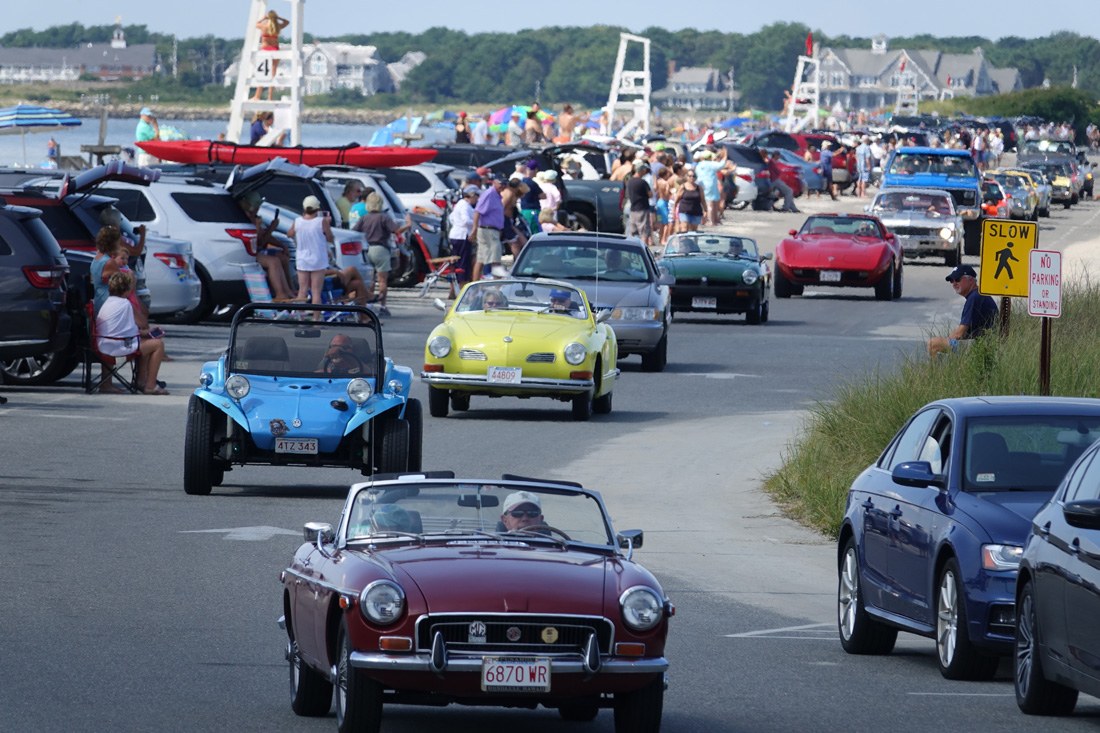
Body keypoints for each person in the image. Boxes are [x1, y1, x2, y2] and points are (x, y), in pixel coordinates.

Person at [96, 271, 168, 395]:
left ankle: (108, 383)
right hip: (116, 348)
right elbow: (142, 322)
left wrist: (145, 333)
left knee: (146, 343)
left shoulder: (108, 302)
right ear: (127, 290)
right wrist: (146, 331)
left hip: (102, 344)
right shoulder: (126, 304)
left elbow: (120, 329)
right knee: (157, 344)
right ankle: (150, 385)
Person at [354, 192, 412, 316]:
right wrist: (408, 224)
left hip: (367, 249)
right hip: (381, 250)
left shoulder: (364, 218)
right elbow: (397, 230)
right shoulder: (384, 217)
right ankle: (383, 306)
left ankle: (368, 304)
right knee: (382, 280)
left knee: (370, 279)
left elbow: (354, 232)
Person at [927, 265, 1000, 357]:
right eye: (951, 281)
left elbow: (960, 333)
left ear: (970, 280)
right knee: (942, 345)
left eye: (957, 279)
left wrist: (946, 341)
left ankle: (935, 370)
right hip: (982, 341)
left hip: (981, 344)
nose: (954, 284)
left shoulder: (975, 297)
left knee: (933, 344)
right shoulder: (977, 295)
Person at [238, 192, 294, 299]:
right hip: (250, 253)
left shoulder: (255, 217)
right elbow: (261, 242)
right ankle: (280, 293)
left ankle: (288, 290)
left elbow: (265, 236)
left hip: (258, 251)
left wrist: (282, 246)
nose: (258, 208)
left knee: (282, 257)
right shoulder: (247, 219)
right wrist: (270, 228)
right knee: (273, 262)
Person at [287, 195, 335, 307]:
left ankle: (301, 318)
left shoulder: (297, 221)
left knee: (302, 291)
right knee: (316, 292)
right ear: (317, 209)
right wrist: (327, 223)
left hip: (302, 259)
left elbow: (289, 234)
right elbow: (330, 238)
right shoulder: (321, 221)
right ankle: (316, 321)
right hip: (318, 259)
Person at [469, 175, 506, 282]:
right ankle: (497, 287)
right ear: (494, 182)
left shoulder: (497, 195)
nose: (503, 186)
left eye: (505, 184)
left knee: (481, 259)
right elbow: (477, 212)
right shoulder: (489, 194)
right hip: (487, 230)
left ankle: (475, 285)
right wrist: (474, 229)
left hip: (491, 230)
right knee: (496, 260)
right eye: (501, 183)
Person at [253, 9, 290, 101]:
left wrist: (263, 18)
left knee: (262, 73)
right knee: (273, 73)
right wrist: (278, 18)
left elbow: (256, 23)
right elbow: (287, 22)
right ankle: (270, 96)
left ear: (267, 18)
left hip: (265, 50)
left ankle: (257, 95)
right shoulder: (277, 27)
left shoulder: (263, 26)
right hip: (275, 50)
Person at [448, 185, 479, 289]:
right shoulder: (465, 206)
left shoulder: (459, 204)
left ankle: (453, 288)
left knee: (455, 263)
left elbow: (451, 218)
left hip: (456, 235)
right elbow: (466, 220)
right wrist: (476, 223)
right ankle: (462, 287)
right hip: (462, 236)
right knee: (463, 263)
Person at [626, 162, 654, 246]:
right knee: (644, 233)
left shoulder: (629, 181)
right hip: (642, 209)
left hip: (633, 209)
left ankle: (628, 252)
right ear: (641, 170)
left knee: (631, 232)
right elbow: (650, 194)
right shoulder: (642, 182)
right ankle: (643, 252)